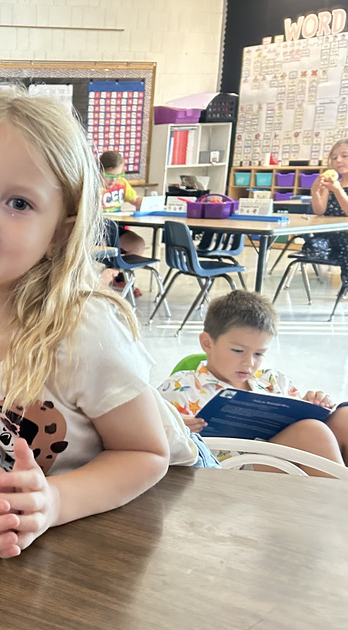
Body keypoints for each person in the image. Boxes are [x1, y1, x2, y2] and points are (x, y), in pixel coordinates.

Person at [0, 90, 210, 560]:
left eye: (19, 203)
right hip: (50, 516)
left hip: (166, 495)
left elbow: (145, 455)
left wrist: (54, 502)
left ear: (59, 234)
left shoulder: (83, 331)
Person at [158, 290, 348, 471]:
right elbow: (145, 438)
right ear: (207, 343)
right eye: (238, 351)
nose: (248, 362)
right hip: (232, 471)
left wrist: (314, 404)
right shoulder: (180, 388)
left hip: (283, 461)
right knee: (311, 432)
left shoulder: (273, 380)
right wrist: (174, 430)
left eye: (259, 353)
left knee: (343, 417)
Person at [99, 151, 146, 295]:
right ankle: (103, 284)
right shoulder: (92, 185)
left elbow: (136, 200)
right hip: (96, 229)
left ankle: (118, 277)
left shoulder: (121, 184)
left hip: (115, 228)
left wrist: (149, 203)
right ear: (99, 171)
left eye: (118, 175)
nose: (114, 180)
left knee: (137, 243)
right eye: (109, 175)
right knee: (107, 247)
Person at [306, 138, 348, 283]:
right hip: (329, 234)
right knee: (311, 247)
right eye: (334, 157)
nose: (338, 161)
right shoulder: (331, 183)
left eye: (344, 156)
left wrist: (338, 190)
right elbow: (320, 210)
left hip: (346, 235)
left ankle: (345, 285)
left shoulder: (336, 186)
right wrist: (315, 192)